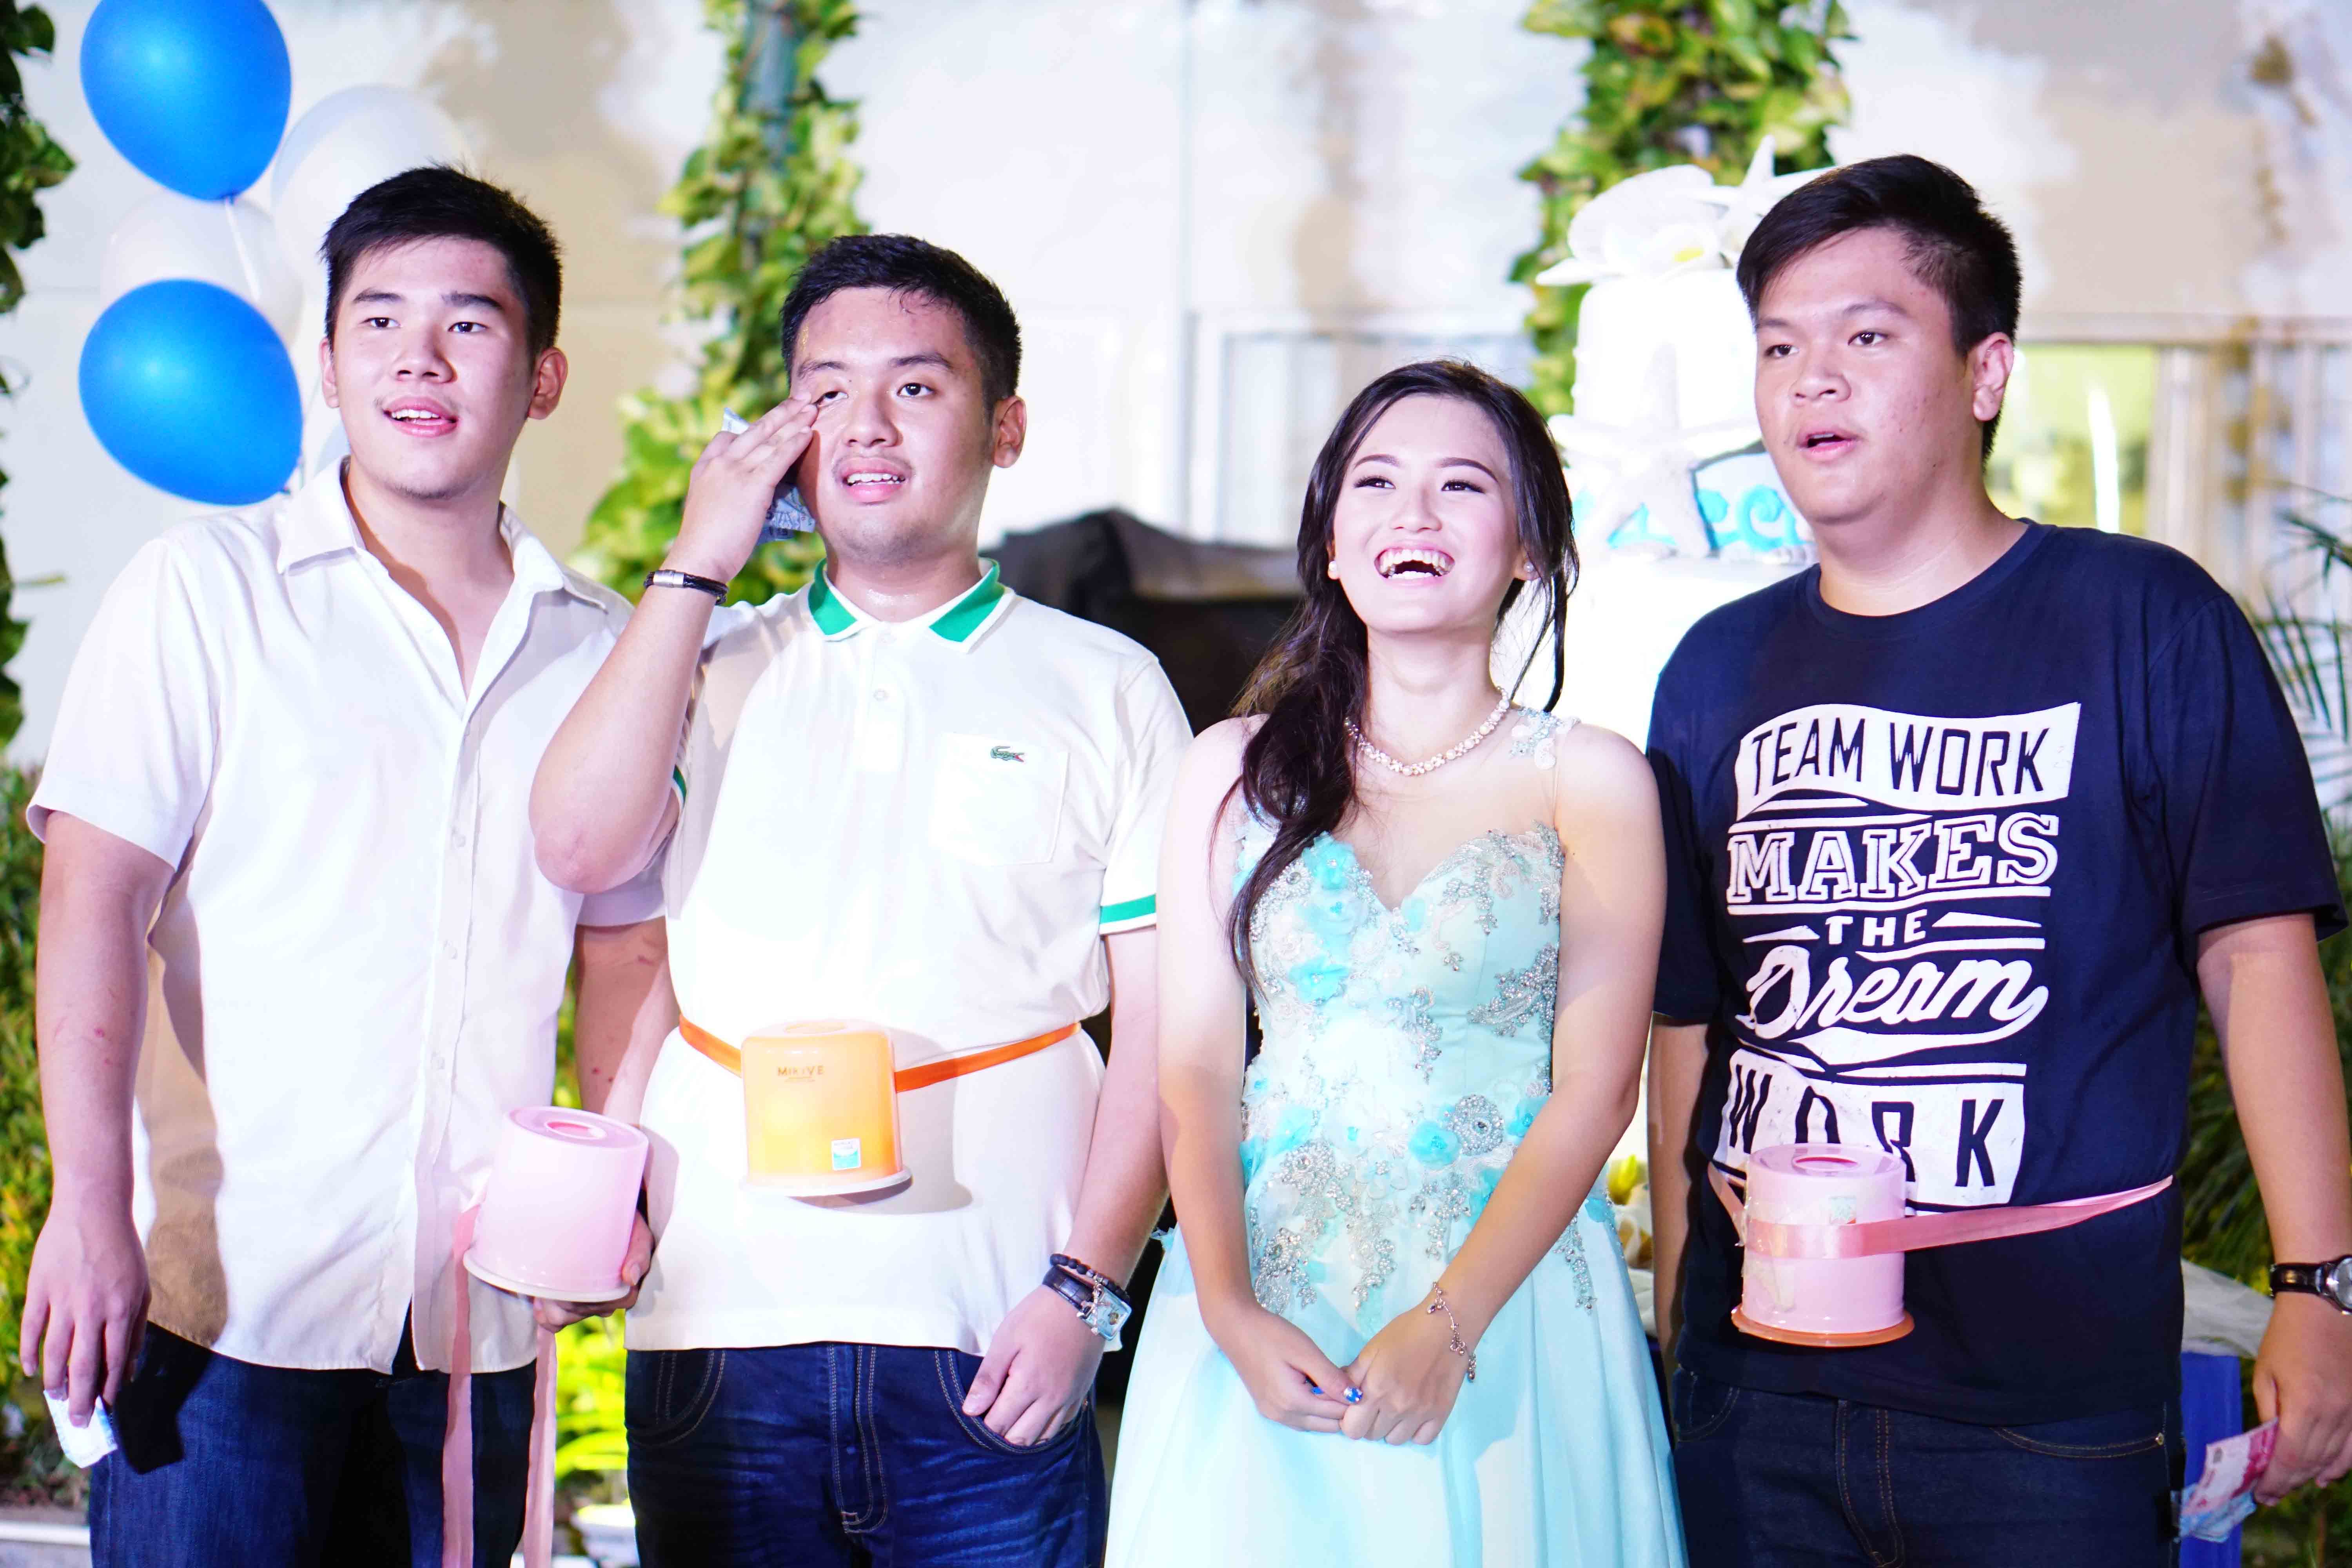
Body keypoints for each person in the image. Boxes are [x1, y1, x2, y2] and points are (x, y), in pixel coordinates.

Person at [1646, 153, 2352, 1566]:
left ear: (1987, 372)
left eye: (1867, 336)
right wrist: (1679, 1326)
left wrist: (2320, 1290)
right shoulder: (1715, 668)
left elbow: (2256, 959)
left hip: (2049, 1413)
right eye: (1779, 347)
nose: (1811, 379)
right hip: (1758, 1398)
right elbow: (1687, 1020)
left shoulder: (2142, 618)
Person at [20, 165, 670, 1567]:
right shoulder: (207, 593)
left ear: (544, 377)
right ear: (327, 364)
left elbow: (626, 942)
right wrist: (87, 1205)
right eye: (378, 321)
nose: (418, 359)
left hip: (472, 1326)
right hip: (224, 1307)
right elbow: (91, 901)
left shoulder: (607, 650)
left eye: (468, 324)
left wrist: (615, 1189)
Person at [530, 233, 1191, 1567]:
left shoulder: (1108, 684)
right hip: (719, 1330)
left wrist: (1086, 1291)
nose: (868, 426)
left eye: (917, 387)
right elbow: (580, 846)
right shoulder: (709, 659)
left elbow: (1171, 1031)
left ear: (1005, 428)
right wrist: (697, 562)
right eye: (827, 391)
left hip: (993, 1332)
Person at [1107, 360, 1684, 1566]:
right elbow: (1196, 1069)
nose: (1412, 514)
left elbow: (1596, 1091)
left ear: (1529, 549)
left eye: (1462, 486)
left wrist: (1450, 1326)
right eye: (1376, 483)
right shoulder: (1231, 770)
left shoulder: (1592, 779)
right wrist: (1227, 1309)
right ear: (1331, 543)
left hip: (1508, 1307)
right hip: (1267, 1299)